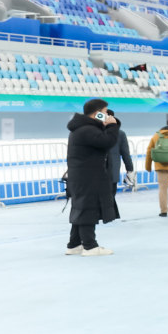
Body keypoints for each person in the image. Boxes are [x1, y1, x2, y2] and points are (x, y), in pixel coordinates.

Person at [66, 99, 122, 256]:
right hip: (88, 176)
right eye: (104, 112)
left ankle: (74, 244)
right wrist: (112, 126)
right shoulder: (87, 130)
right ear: (97, 113)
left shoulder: (81, 128)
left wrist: (111, 123)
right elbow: (107, 141)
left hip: (82, 175)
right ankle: (90, 246)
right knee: (88, 209)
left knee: (81, 208)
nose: (106, 114)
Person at [105, 107, 133, 195]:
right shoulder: (120, 134)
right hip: (112, 172)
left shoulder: (93, 132)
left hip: (95, 174)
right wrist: (130, 169)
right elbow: (125, 154)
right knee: (110, 198)